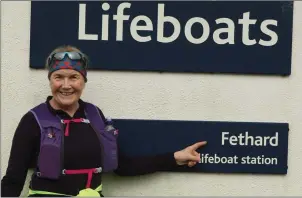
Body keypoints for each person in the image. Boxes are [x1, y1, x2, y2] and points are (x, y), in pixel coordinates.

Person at [1, 45, 207, 197]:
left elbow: (124, 166)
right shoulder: (33, 121)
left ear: (83, 80)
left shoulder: (94, 115)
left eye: (73, 77)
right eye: (58, 77)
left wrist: (174, 158)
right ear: (50, 80)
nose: (66, 85)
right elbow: (13, 180)